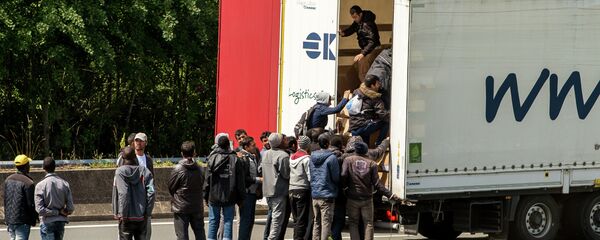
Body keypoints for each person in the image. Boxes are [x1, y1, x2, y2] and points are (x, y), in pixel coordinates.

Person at [342, 142, 399, 240]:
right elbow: (377, 184)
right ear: (365, 151)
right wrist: (390, 194)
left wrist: (345, 188)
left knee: (353, 223)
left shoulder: (348, 160)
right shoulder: (372, 163)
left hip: (352, 197)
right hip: (367, 199)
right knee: (368, 223)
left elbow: (343, 175)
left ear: (356, 150)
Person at [204, 133, 246, 240]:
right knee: (228, 221)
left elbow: (207, 180)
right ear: (229, 145)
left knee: (213, 221)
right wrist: (241, 198)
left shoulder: (212, 158)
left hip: (214, 195)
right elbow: (240, 181)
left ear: (218, 145)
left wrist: (205, 196)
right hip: (230, 195)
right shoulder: (235, 159)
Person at [112, 147, 155, 240]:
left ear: (122, 159)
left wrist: (122, 214)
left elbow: (123, 194)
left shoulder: (120, 172)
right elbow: (151, 192)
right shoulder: (145, 171)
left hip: (126, 217)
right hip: (141, 216)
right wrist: (147, 212)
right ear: (135, 157)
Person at [168, 141, 206, 240]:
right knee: (200, 233)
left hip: (181, 207)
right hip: (197, 206)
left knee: (182, 235)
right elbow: (202, 184)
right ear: (194, 153)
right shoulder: (200, 168)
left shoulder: (178, 169)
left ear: (182, 153)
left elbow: (171, 187)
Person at [35, 157, 75, 240]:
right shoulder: (64, 183)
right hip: (60, 222)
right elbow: (70, 208)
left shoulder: (40, 185)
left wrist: (55, 212)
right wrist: (61, 212)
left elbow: (40, 209)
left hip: (47, 222)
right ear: (55, 167)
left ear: (43, 168)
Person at [310, 134, 340, 240]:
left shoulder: (312, 157)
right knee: (326, 223)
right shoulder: (332, 158)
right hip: (327, 194)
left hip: (315, 193)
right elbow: (336, 177)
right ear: (328, 144)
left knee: (316, 222)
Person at [340, 5, 381, 83]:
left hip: (371, 49)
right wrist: (343, 33)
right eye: (353, 18)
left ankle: (365, 88)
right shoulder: (358, 22)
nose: (354, 20)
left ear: (360, 14)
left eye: (355, 17)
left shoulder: (366, 24)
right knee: (360, 68)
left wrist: (362, 54)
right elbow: (352, 29)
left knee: (363, 71)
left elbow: (372, 41)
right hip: (367, 49)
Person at [262, 133, 291, 240]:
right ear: (279, 142)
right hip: (279, 191)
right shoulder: (283, 156)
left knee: (273, 217)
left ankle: (267, 237)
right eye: (283, 140)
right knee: (277, 221)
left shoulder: (265, 154)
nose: (286, 141)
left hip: (267, 190)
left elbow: (260, 169)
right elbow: (287, 174)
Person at [4, 154, 38, 240]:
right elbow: (31, 204)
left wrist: (7, 218)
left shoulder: (8, 180)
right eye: (29, 165)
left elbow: (5, 200)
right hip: (22, 221)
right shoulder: (28, 183)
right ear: (26, 166)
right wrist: (34, 218)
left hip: (10, 219)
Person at [350, 75, 390, 146]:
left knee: (364, 149)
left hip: (353, 127)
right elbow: (382, 114)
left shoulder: (356, 92)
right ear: (372, 85)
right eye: (378, 83)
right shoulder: (374, 97)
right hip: (363, 126)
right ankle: (379, 143)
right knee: (385, 122)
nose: (380, 85)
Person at [237, 137, 262, 240]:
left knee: (250, 220)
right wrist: (258, 180)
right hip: (246, 193)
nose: (255, 147)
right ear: (246, 147)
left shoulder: (251, 156)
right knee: (246, 221)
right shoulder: (243, 157)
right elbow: (244, 177)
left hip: (252, 193)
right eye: (253, 145)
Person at [289, 136, 312, 240]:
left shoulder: (291, 157)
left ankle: (295, 237)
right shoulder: (306, 158)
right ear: (307, 145)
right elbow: (309, 176)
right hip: (303, 189)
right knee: (302, 219)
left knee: (295, 219)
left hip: (291, 189)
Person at [133, 132, 154, 240]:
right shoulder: (129, 158)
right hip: (133, 199)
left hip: (145, 199)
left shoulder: (148, 159)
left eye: (141, 141)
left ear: (145, 143)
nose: (138, 143)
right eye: (136, 140)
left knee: (146, 232)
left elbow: (151, 179)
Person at [328, 135, 345, 240]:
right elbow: (341, 176)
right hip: (338, 192)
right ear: (339, 145)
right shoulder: (340, 157)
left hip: (325, 191)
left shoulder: (323, 155)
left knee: (329, 220)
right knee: (339, 219)